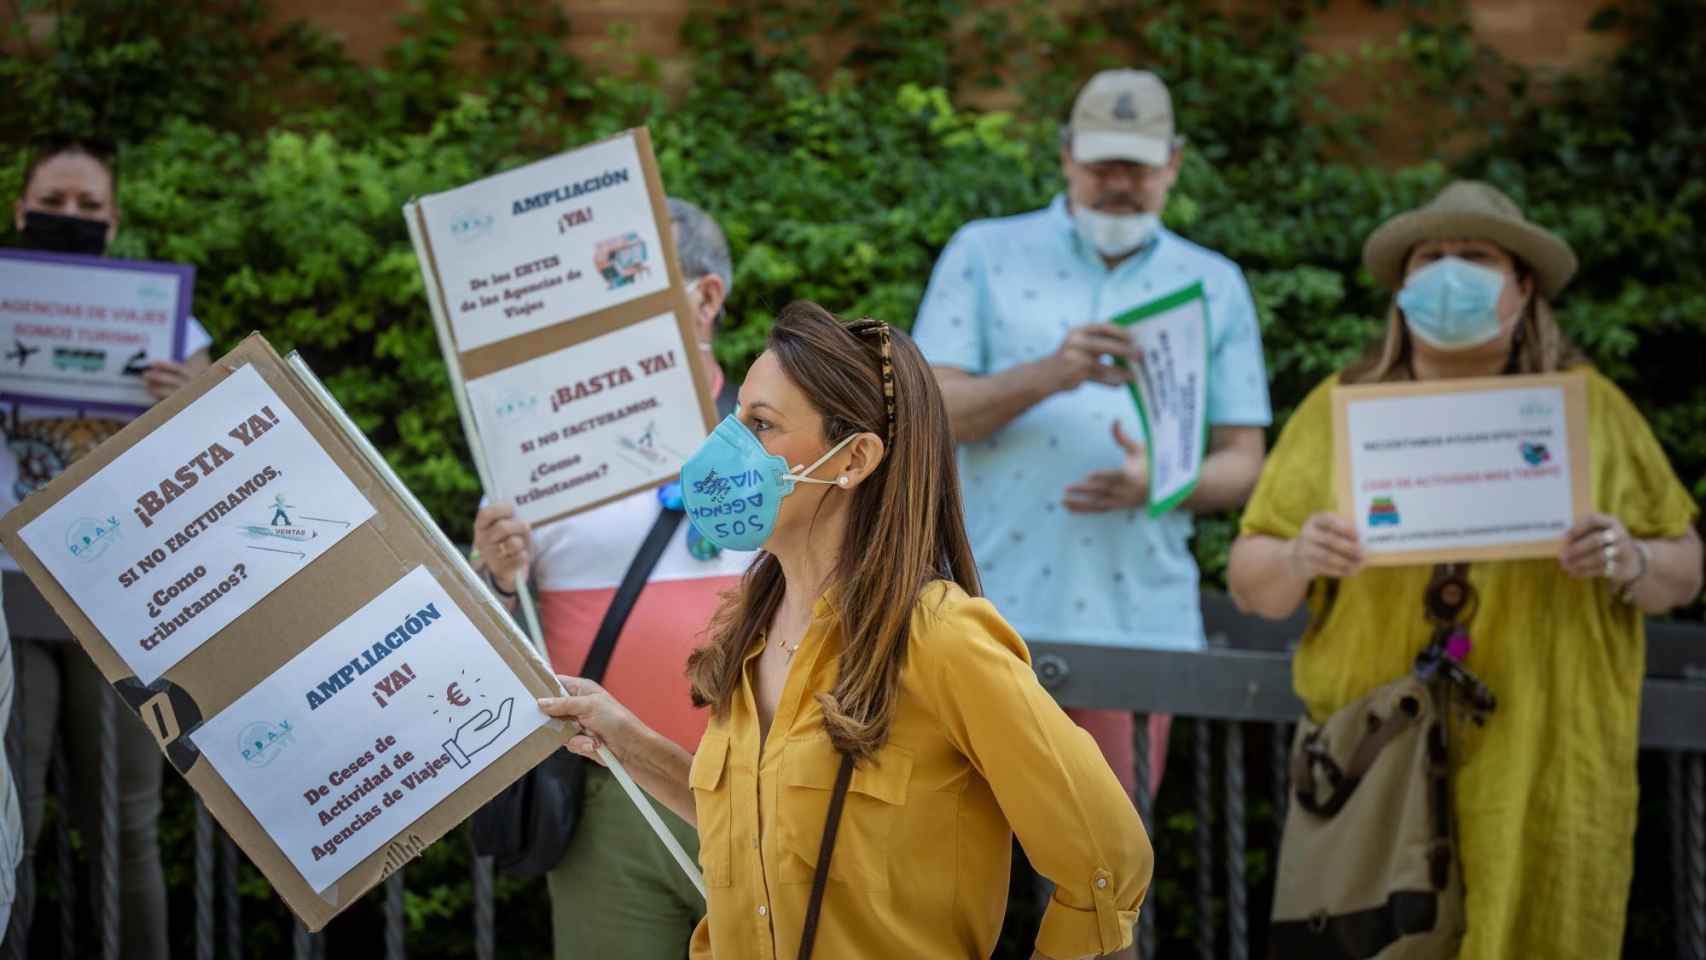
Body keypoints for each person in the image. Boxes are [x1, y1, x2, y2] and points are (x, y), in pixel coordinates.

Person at [539, 301, 1154, 960]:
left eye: (761, 424)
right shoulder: (749, 626)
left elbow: (1107, 860)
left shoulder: (941, 637)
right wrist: (628, 742)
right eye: (736, 417)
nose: (727, 445)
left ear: (852, 458)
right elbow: (757, 826)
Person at [1227, 180, 1703, 958]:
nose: (1450, 272)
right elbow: (1253, 581)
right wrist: (1297, 554)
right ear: (1403, 289)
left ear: (1523, 286)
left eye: (1476, 256)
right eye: (1430, 258)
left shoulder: (1592, 411)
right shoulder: (1338, 407)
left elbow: (1683, 571)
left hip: (1546, 757)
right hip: (1375, 756)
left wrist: (1632, 557)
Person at [911, 68, 1272, 819]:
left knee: (1108, 880)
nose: (1118, 182)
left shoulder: (1215, 282)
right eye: (1103, 162)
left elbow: (1246, 464)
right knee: (947, 875)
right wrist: (1053, 372)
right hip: (983, 614)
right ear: (1067, 154)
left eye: (1137, 166)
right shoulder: (982, 252)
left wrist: (1162, 485)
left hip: (1136, 619)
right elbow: (928, 414)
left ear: (1173, 164)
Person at [471, 198, 747, 959]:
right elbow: (488, 641)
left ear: (706, 299)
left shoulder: (774, 433)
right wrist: (491, 578)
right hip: (606, 798)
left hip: (759, 790)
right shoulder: (535, 447)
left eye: (623, 290)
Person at [4, 138, 213, 958]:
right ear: (21, 210)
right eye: (54, 201)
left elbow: (222, 447)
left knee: (126, 825)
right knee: (4, 824)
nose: (71, 217)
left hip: (119, 603)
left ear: (115, 221)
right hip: (6, 596)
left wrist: (194, 398)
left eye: (90, 207)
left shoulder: (163, 320)